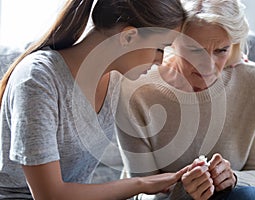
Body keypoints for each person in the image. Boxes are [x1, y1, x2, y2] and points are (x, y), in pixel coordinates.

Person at [0, 0, 188, 199]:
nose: (160, 61)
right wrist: (141, 184)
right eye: (160, 48)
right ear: (129, 36)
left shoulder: (115, 78)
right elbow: (49, 195)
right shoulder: (37, 79)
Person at [115, 0, 255, 199]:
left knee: (250, 196)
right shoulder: (135, 89)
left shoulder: (253, 81)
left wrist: (233, 178)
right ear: (172, 41)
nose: (207, 68)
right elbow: (138, 193)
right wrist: (183, 190)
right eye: (195, 49)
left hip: (234, 196)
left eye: (221, 50)